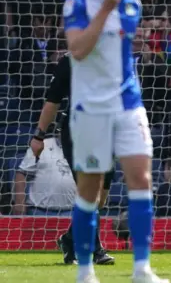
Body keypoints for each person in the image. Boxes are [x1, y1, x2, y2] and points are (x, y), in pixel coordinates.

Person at [63, 0, 169, 283]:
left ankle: (142, 269)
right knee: (90, 191)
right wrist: (105, 10)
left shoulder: (132, 5)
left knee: (141, 178)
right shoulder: (79, 2)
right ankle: (84, 274)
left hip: (127, 104)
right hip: (90, 109)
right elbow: (77, 50)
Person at [30, 53, 115, 266]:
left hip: (107, 130)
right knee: (89, 191)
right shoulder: (69, 61)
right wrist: (39, 136)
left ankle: (68, 239)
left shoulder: (113, 56)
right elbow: (53, 101)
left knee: (100, 197)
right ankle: (95, 250)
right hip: (77, 131)